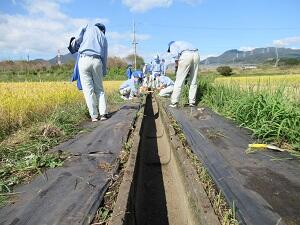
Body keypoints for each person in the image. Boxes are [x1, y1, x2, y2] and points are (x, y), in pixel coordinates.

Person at [69, 23, 108, 122]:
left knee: (88, 91)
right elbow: (104, 56)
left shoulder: (86, 27)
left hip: (84, 59)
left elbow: (77, 40)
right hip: (97, 61)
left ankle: (94, 116)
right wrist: (103, 71)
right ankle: (103, 114)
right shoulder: (103, 36)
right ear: (103, 30)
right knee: (99, 90)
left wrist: (75, 44)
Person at [167, 41, 200, 108]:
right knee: (193, 80)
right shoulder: (183, 43)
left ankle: (174, 102)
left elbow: (176, 58)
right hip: (196, 54)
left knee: (179, 81)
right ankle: (192, 102)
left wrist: (177, 68)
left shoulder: (172, 45)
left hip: (186, 55)